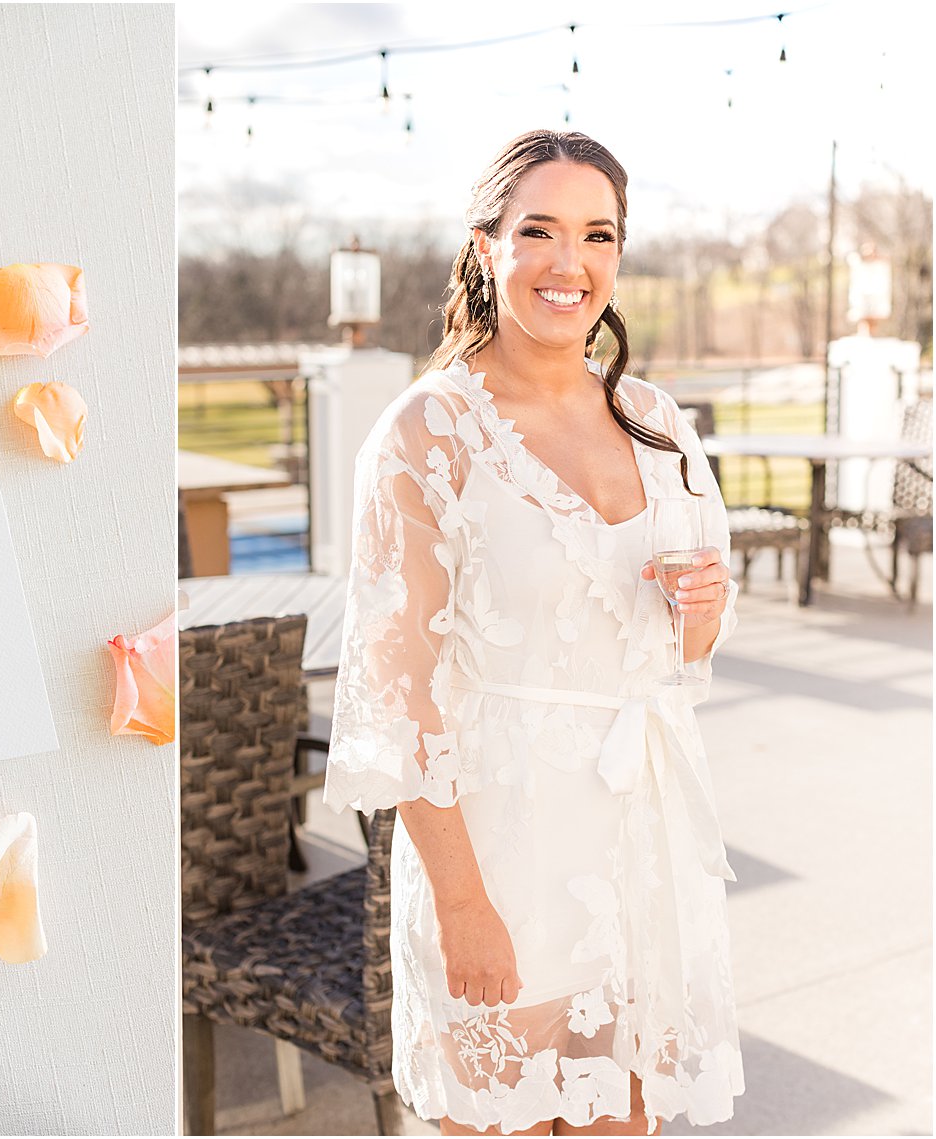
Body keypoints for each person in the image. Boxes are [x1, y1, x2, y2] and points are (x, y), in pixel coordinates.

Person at [322, 130, 744, 1136]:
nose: (570, 262)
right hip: (496, 851)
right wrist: (462, 903)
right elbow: (397, 699)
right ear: (484, 248)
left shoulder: (655, 422)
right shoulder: (426, 433)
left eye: (596, 234)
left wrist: (705, 612)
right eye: (538, 231)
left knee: (624, 1118)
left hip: (635, 854)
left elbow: (677, 655)